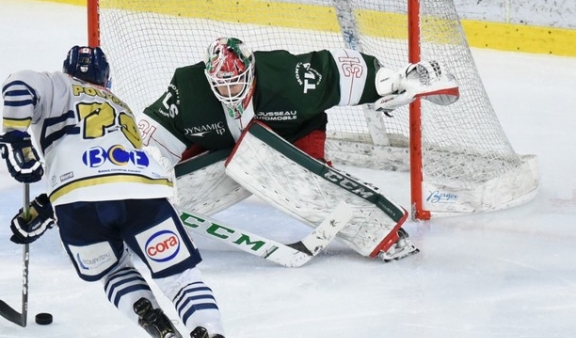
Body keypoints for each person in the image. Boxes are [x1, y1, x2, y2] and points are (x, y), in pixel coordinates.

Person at [0, 45, 255, 338]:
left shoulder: (58, 84)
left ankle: (153, 320)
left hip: (75, 201)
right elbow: (105, 167)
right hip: (141, 193)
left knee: (113, 269)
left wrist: (15, 139)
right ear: (106, 79)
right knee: (180, 278)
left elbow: (18, 83)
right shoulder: (121, 107)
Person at [137, 37, 460, 262]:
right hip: (221, 140)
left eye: (236, 82)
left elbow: (337, 71)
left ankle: (383, 232)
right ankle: (140, 223)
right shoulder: (188, 88)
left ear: (251, 71)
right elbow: (155, 136)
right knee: (161, 184)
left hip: (295, 134)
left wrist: (394, 81)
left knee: (307, 186)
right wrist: (140, 170)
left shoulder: (285, 78)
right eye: (221, 84)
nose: (229, 91)